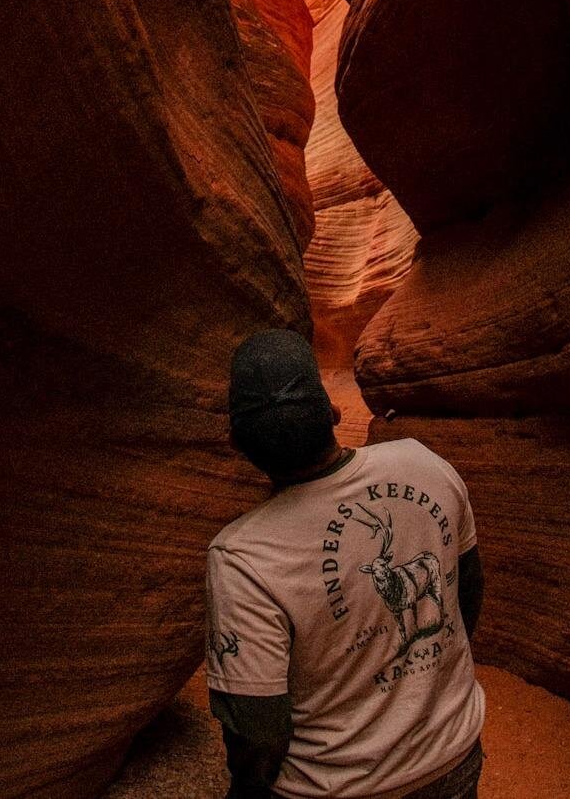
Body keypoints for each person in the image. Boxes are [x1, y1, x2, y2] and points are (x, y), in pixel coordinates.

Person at [206, 329, 486, 799]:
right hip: (452, 759)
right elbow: (468, 592)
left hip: (335, 787)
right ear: (334, 413)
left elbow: (258, 730)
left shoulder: (240, 558)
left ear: (235, 442)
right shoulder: (425, 465)